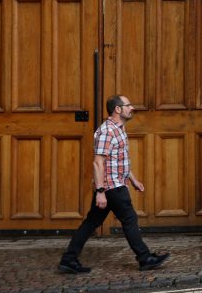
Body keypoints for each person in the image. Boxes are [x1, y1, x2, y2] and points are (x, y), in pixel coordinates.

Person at [59, 95, 170, 273]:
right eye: (128, 105)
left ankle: (68, 259)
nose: (132, 108)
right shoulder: (107, 131)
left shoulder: (119, 129)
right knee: (129, 219)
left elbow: (118, 160)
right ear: (118, 109)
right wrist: (100, 191)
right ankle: (145, 258)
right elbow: (98, 162)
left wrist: (133, 179)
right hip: (112, 186)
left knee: (91, 222)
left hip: (114, 184)